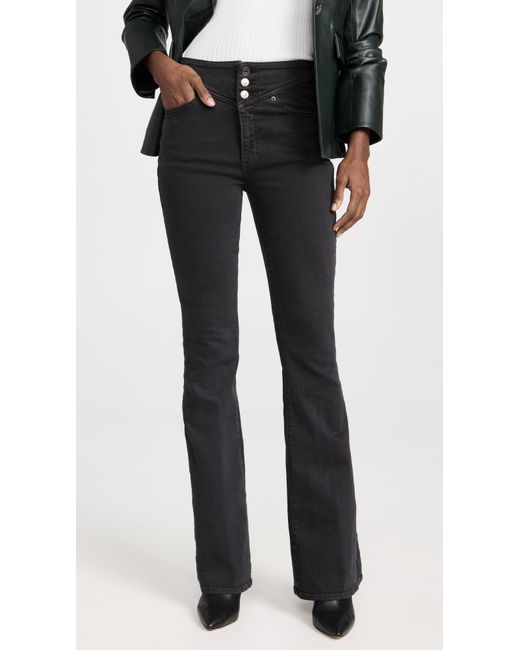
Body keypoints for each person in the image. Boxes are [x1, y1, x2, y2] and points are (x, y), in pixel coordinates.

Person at [122, 0, 386, 638]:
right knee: (209, 356)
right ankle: (220, 573)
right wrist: (159, 66)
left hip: (300, 118)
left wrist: (358, 148)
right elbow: (142, 13)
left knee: (312, 355)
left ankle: (330, 574)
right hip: (196, 114)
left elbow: (364, 45)